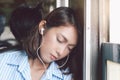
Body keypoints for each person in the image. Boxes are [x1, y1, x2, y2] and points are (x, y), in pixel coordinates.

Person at [0, 6, 83, 80]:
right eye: (60, 40)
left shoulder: (65, 77)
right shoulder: (3, 61)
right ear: (42, 27)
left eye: (69, 48)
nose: (60, 52)